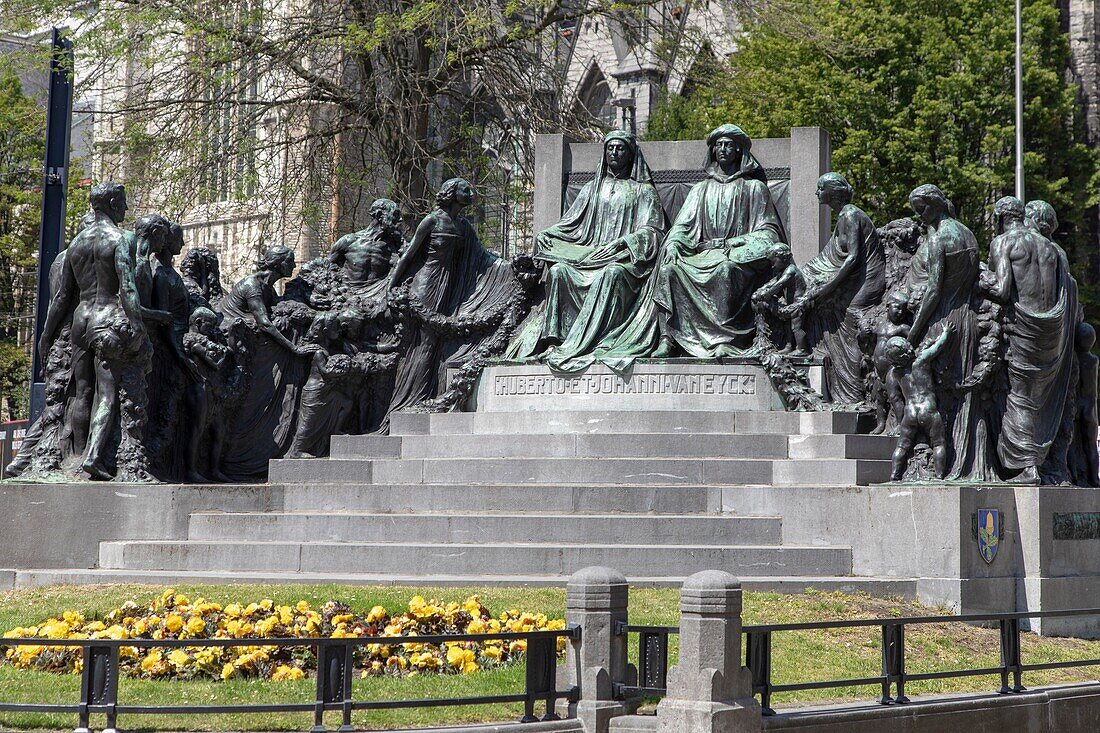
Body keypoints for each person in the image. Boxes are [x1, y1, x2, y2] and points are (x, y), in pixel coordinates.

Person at [618, 123, 783, 363]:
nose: (723, 149)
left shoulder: (754, 188)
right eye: (719, 146)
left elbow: (769, 231)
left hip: (733, 256)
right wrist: (674, 243)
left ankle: (725, 340)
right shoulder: (701, 189)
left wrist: (738, 243)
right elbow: (682, 227)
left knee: (725, 270)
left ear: (739, 151)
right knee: (669, 270)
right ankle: (668, 338)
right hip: (702, 255)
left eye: (729, 145)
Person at [39, 183, 171, 480]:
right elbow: (128, 290)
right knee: (109, 394)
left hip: (80, 320)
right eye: (122, 203)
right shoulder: (122, 239)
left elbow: (61, 297)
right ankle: (93, 458)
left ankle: (74, 456)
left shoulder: (77, 242)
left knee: (83, 392)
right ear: (112, 203)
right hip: (108, 319)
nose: (125, 209)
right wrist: (138, 327)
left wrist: (46, 336)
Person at [506, 130, 666, 372]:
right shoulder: (591, 189)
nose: (614, 152)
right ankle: (555, 341)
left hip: (622, 261)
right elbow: (568, 224)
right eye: (610, 147)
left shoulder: (643, 191)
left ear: (630, 154)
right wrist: (545, 236)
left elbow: (654, 231)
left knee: (611, 274)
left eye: (620, 148)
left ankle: (604, 340)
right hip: (587, 257)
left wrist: (624, 242)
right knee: (559, 271)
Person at [387, 178, 517, 416]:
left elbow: (482, 256)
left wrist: (510, 267)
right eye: (465, 189)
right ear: (451, 193)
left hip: (449, 286)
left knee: (434, 343)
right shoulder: (432, 220)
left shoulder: (463, 226)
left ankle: (425, 394)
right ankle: (409, 400)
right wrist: (391, 285)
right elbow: (408, 256)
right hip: (426, 283)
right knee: (424, 343)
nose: (470, 192)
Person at [983, 196, 1079, 484]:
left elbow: (1001, 291)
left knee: (1020, 396)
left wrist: (976, 279)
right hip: (1053, 334)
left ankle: (1028, 467)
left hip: (1023, 327)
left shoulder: (1004, 242)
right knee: (1042, 399)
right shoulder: (1054, 250)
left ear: (1000, 218)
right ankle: (1048, 464)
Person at [900, 184, 985, 480]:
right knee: (964, 394)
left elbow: (934, 291)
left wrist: (913, 333)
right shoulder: (969, 235)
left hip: (944, 320)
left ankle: (944, 468)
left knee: (943, 393)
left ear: (933, 204)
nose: (919, 216)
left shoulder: (938, 240)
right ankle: (967, 459)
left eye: (921, 209)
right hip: (968, 320)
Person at [791, 173, 884, 404]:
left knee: (845, 330)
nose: (817, 193)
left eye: (820, 188)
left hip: (863, 283)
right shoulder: (844, 215)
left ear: (832, 191)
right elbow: (832, 257)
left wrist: (826, 288)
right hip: (853, 281)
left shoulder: (851, 215)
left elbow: (852, 258)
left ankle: (851, 397)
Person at [887, 325, 953, 481]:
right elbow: (938, 347)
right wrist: (946, 333)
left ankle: (894, 475)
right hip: (927, 409)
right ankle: (939, 475)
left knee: (902, 446)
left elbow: (895, 395)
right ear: (907, 351)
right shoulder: (921, 362)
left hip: (910, 412)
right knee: (938, 443)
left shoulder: (896, 373)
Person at [182, 307, 231, 482]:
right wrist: (225, 352)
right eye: (209, 326)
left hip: (211, 389)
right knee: (197, 429)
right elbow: (215, 362)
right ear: (198, 322)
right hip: (198, 389)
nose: (211, 330)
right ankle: (191, 471)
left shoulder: (206, 340)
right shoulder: (191, 340)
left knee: (219, 430)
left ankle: (214, 470)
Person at [862, 291, 911, 435]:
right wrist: (865, 334)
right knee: (879, 398)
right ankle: (881, 423)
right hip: (878, 370)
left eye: (903, 309)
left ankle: (901, 424)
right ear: (888, 306)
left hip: (892, 368)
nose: (900, 312)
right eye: (897, 307)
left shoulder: (903, 328)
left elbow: (912, 343)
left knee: (894, 396)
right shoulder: (879, 326)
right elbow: (868, 341)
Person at [752, 242, 808, 355]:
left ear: (783, 257)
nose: (772, 266)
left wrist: (765, 295)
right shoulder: (782, 271)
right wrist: (760, 290)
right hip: (790, 305)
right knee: (788, 327)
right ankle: (789, 346)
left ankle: (802, 349)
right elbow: (772, 283)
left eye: (774, 262)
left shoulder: (791, 270)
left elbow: (779, 285)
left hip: (798, 305)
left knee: (796, 327)